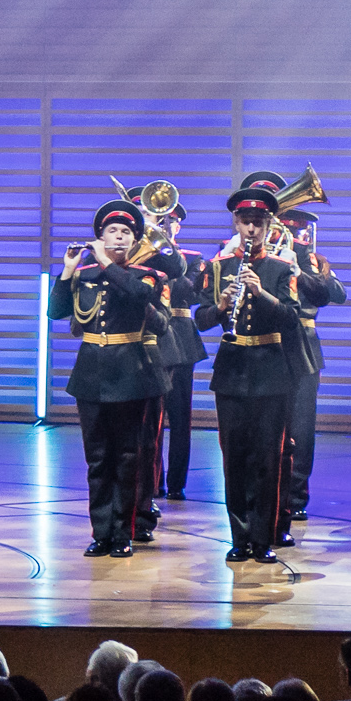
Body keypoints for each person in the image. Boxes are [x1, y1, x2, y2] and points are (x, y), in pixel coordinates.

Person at [50, 197, 172, 559]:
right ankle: (100, 531)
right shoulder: (84, 275)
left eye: (125, 233)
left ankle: (123, 532)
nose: (118, 238)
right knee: (98, 458)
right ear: (100, 236)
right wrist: (69, 271)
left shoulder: (147, 274)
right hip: (91, 373)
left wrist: (103, 261)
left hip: (132, 372)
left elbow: (138, 294)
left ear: (135, 241)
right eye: (111, 232)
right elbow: (55, 312)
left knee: (128, 458)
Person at [190, 182, 304, 565]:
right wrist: (222, 305)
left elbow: (291, 320)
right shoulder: (218, 267)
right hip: (233, 372)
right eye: (245, 222)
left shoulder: (282, 267)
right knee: (234, 458)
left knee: (268, 460)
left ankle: (263, 538)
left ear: (269, 224)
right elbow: (201, 320)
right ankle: (239, 537)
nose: (252, 229)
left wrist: (263, 294)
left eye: (258, 221)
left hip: (272, 371)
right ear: (236, 223)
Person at [244, 174, 347, 528]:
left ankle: (295, 497)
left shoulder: (302, 251)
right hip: (255, 348)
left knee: (300, 428)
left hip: (300, 345)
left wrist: (294, 264)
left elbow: (333, 293)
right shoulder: (239, 249)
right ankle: (256, 496)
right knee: (254, 429)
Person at [137, 194, 205, 526]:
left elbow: (188, 293)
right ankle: (153, 484)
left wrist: (166, 250)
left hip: (180, 335)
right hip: (150, 336)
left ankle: (176, 484)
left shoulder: (190, 257)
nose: (165, 225)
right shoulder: (138, 256)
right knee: (152, 419)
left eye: (169, 221)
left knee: (180, 419)